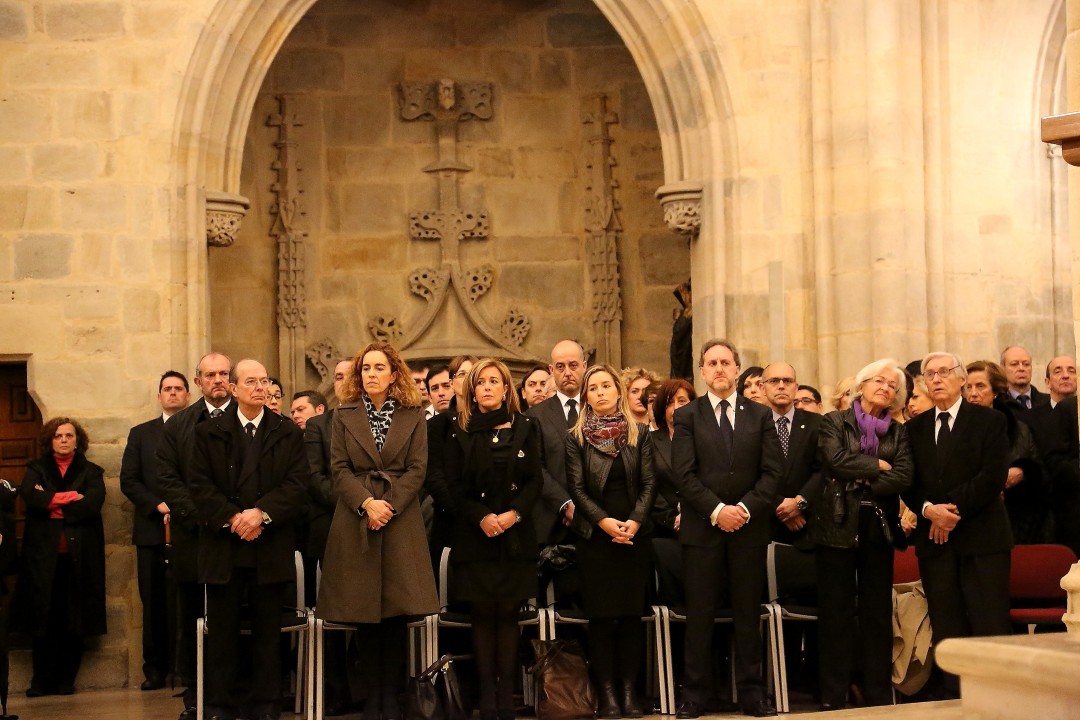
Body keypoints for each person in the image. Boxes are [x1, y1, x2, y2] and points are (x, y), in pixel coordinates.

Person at [317, 342, 438, 720]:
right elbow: (338, 468)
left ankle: (394, 697)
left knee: (398, 612)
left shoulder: (413, 414)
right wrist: (367, 503)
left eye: (379, 367)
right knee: (365, 610)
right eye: (366, 368)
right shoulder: (344, 414)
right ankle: (372, 698)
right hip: (357, 518)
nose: (371, 374)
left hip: (400, 519)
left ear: (394, 374)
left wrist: (389, 505)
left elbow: (418, 468)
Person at [188, 358, 308, 720]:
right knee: (222, 634)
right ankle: (220, 706)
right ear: (234, 389)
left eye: (264, 381)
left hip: (269, 545)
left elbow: (297, 484)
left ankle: (266, 706)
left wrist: (261, 513)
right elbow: (199, 485)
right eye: (251, 381)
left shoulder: (286, 432)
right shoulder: (207, 432)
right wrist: (233, 517)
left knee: (267, 635)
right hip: (224, 547)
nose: (260, 388)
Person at [671, 339, 783, 718]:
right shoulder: (688, 416)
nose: (719, 368)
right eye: (711, 363)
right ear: (702, 371)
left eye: (725, 362)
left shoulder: (761, 415)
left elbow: (773, 473)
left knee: (748, 615)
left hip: (748, 531)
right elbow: (683, 475)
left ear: (737, 368)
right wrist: (718, 511)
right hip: (702, 531)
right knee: (699, 616)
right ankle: (696, 695)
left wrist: (744, 510)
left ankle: (752, 694)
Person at [903, 352, 1012, 698]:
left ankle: (997, 696)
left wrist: (949, 511)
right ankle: (955, 699)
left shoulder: (989, 421)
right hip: (935, 542)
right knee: (947, 623)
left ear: (962, 379)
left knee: (988, 621)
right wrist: (929, 511)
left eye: (943, 372)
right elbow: (907, 481)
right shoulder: (913, 428)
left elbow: (992, 475)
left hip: (982, 537)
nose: (936, 379)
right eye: (929, 374)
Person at [810, 359, 913, 711]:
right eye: (879, 381)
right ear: (862, 385)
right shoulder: (834, 421)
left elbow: (904, 476)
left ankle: (877, 695)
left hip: (878, 525)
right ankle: (833, 695)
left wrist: (864, 476)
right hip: (837, 522)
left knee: (876, 614)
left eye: (892, 385)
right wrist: (877, 465)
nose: (885, 388)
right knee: (835, 613)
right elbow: (834, 460)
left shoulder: (898, 432)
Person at [444, 359, 542, 720]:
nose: (487, 387)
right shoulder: (459, 429)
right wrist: (481, 517)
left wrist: (514, 514)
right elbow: (453, 485)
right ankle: (487, 695)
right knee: (483, 615)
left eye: (494, 381)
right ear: (472, 391)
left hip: (515, 535)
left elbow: (535, 480)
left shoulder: (526, 427)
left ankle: (505, 695)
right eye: (481, 382)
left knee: (509, 615)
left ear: (505, 389)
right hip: (476, 535)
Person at [564, 365, 656, 718]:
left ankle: (630, 693)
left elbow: (649, 483)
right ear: (585, 397)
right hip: (595, 537)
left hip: (634, 535)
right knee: (601, 619)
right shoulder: (575, 438)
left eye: (606, 386)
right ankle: (607, 695)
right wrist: (604, 523)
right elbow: (576, 489)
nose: (600, 392)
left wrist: (634, 521)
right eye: (593, 388)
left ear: (619, 391)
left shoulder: (640, 433)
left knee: (631, 617)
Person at [157, 351, 233, 720]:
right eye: (210, 374)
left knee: (230, 618)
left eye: (223, 374)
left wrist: (231, 516)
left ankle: (232, 693)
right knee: (190, 618)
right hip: (193, 536)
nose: (217, 380)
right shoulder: (177, 426)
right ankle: (195, 693)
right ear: (198, 381)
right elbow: (168, 478)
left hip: (236, 537)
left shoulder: (247, 419)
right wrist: (204, 515)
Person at [15, 418, 106, 697]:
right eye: (58, 436)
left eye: (69, 435)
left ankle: (67, 679)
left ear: (78, 440)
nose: (64, 440)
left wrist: (51, 501)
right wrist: (71, 497)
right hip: (43, 559)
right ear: (50, 440)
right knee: (44, 617)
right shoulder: (36, 468)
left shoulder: (91, 471)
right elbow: (30, 497)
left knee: (73, 619)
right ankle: (41, 680)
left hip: (79, 558)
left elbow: (92, 504)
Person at [120, 370, 190, 691]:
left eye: (178, 388)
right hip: (151, 532)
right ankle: (155, 670)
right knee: (153, 602)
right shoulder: (141, 434)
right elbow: (129, 480)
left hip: (189, 529)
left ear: (188, 395)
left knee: (187, 602)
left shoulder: (198, 430)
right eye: (167, 389)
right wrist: (158, 505)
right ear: (159, 396)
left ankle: (186, 668)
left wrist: (182, 506)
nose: (172, 393)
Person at [303, 358, 353, 714]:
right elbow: (315, 477)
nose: (343, 381)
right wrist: (355, 503)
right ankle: (335, 691)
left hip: (375, 525)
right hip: (332, 524)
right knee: (332, 611)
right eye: (337, 376)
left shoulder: (378, 423)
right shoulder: (318, 426)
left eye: (350, 375)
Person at [964, 361, 1047, 544]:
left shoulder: (1019, 429)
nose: (973, 393)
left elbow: (1041, 473)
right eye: (968, 387)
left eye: (980, 386)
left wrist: (1023, 471)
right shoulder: (956, 428)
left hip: (1013, 522)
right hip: (968, 521)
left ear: (995, 391)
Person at [527, 340, 588, 547]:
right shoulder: (534, 416)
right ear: (551, 371)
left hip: (598, 522)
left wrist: (590, 509)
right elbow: (535, 467)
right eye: (560, 367)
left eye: (573, 365)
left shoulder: (598, 409)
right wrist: (565, 504)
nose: (567, 372)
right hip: (551, 522)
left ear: (584, 366)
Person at [761, 363, 822, 548]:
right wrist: (781, 507)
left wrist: (800, 502)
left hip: (809, 525)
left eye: (787, 381)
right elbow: (747, 472)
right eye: (774, 381)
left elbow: (824, 468)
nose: (781, 386)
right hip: (765, 526)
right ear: (763, 388)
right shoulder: (751, 425)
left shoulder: (818, 423)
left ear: (796, 387)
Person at [649, 379, 696, 538]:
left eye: (682, 401)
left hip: (701, 524)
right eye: (669, 403)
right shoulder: (649, 441)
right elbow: (647, 485)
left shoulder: (706, 439)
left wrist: (691, 516)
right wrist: (672, 519)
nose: (676, 407)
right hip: (662, 528)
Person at [1000, 346, 1048, 411]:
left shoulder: (1049, 403)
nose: (1021, 368)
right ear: (1002, 369)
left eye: (1026, 364)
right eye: (1014, 364)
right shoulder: (996, 404)